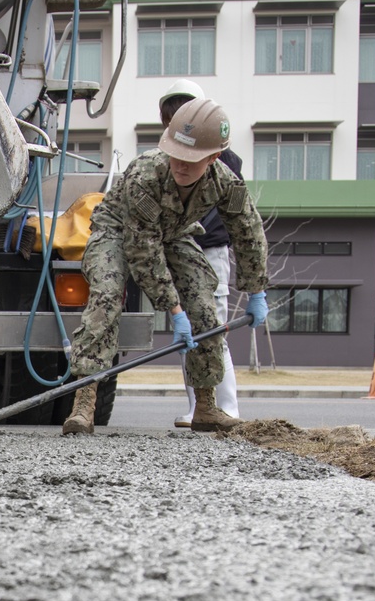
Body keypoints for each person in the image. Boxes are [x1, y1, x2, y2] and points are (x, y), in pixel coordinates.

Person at [62, 98, 269, 436]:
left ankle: (205, 407)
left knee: (204, 307)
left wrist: (257, 291)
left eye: (191, 160)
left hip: (173, 234)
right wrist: (173, 310)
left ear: (214, 157)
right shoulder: (145, 174)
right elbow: (142, 250)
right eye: (176, 155)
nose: (180, 165)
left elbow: (248, 231)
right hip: (118, 230)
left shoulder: (224, 182)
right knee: (106, 298)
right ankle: (83, 405)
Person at [156, 79, 243, 427]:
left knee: (212, 328)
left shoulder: (225, 159)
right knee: (188, 332)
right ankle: (199, 408)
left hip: (210, 250)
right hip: (179, 251)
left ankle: (227, 408)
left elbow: (232, 215)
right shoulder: (164, 159)